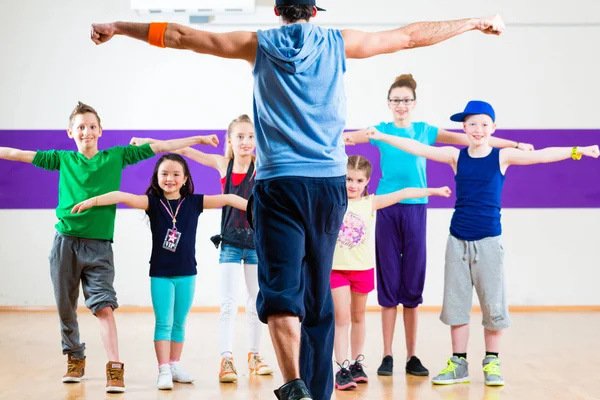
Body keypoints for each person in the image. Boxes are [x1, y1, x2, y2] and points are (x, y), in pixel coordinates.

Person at [90, 3, 507, 399]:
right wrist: (473, 22)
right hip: (328, 187)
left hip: (278, 185)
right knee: (318, 297)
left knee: (280, 294)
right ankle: (317, 391)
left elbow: (181, 35)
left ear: (276, 11)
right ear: (313, 11)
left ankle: (294, 388)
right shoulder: (337, 42)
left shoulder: (258, 44)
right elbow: (411, 36)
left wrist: (119, 27)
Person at [366, 100, 599, 386]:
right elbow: (419, 148)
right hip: (458, 241)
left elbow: (542, 156)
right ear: (464, 128)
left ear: (493, 128)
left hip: (488, 241)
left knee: (493, 305)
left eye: (484, 124)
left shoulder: (502, 157)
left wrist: (578, 151)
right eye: (472, 124)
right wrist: (384, 136)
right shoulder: (455, 156)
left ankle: (492, 362)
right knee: (456, 304)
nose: (478, 129)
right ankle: (459, 363)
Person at [0, 102, 218, 393]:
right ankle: (75, 356)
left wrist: (199, 140)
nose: (87, 132)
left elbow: (163, 146)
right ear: (70, 132)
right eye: (80, 127)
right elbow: (19, 155)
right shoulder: (62, 159)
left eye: (92, 126)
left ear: (100, 130)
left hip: (99, 247)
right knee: (66, 307)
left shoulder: (116, 156)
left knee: (104, 308)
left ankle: (115, 368)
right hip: (65, 243)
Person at [343, 74, 534, 377]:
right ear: (389, 104)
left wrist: (515, 144)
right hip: (388, 209)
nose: (401, 105)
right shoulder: (379, 131)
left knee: (412, 287)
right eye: (396, 100)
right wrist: (339, 139)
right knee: (389, 286)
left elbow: (473, 139)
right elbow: (347, 138)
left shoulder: (426, 131)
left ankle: (412, 356)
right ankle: (388, 355)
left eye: (406, 100)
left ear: (414, 103)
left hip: (416, 210)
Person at [72, 153, 249, 390]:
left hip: (188, 274)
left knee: (179, 323)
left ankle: (175, 365)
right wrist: (93, 201)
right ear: (157, 177)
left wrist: (257, 209)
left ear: (185, 178)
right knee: (163, 323)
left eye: (176, 174)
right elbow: (123, 196)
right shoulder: (152, 203)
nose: (170, 178)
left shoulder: (195, 203)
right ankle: (163, 368)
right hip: (161, 274)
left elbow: (228, 197)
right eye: (164, 174)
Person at [145, 115, 272, 382]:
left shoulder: (262, 166)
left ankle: (254, 355)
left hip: (256, 244)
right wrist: (150, 142)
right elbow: (184, 150)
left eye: (251, 137)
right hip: (230, 244)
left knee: (255, 304)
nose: (246, 142)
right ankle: (226, 360)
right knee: (228, 304)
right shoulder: (222, 164)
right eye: (239, 137)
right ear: (229, 141)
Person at [331, 155, 450, 391]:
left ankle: (356, 363)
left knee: (358, 317)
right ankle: (341, 368)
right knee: (342, 318)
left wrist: (434, 191)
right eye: (348, 179)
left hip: (362, 270)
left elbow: (404, 193)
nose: (352, 185)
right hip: (337, 271)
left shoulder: (371, 203)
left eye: (358, 180)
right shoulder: (332, 202)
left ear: (367, 182)